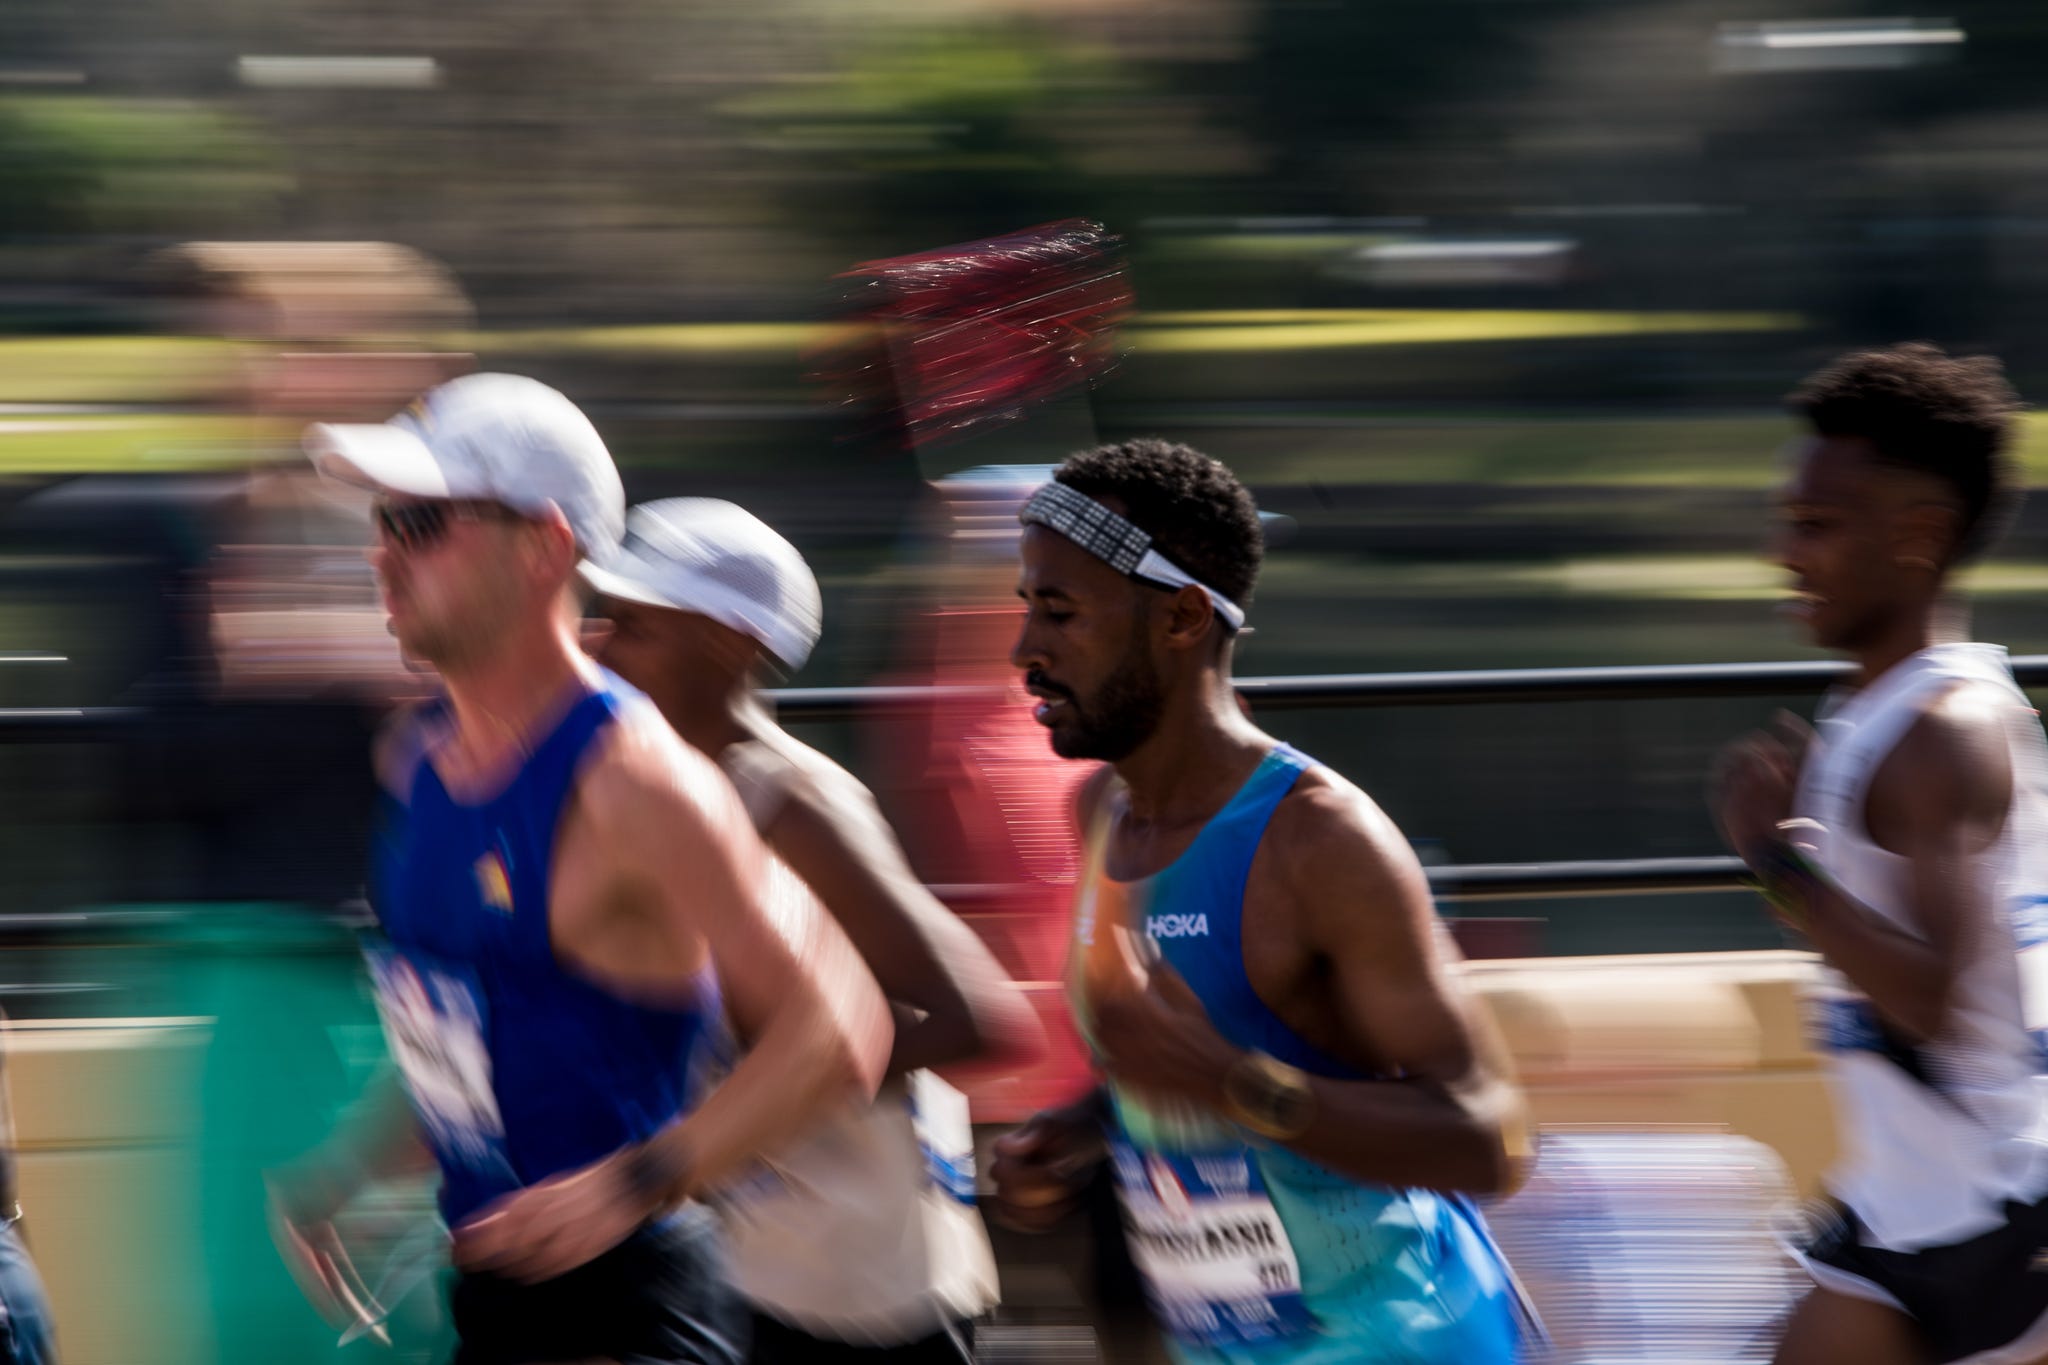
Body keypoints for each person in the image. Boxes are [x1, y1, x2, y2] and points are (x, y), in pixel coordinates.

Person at [268, 373, 893, 1364]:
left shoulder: (635, 781)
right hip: (494, 1295)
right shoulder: (416, 759)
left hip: (629, 1313)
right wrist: (343, 1169)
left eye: (423, 524)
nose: (383, 557)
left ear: (543, 548)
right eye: (383, 521)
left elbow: (842, 1024)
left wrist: (637, 1182)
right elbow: (479, 1021)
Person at [986, 439, 1530, 1364]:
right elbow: (1192, 1060)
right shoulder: (1102, 813)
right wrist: (1083, 1127)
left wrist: (1235, 1085)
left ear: (1183, 618)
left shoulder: (1319, 840)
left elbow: (1490, 1140)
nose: (1024, 650)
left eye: (1060, 611)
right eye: (1028, 606)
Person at [586, 496, 1043, 1363]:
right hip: (742, 1258)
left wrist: (794, 1050)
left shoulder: (795, 803)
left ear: (729, 642)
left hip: (855, 1291)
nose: (605, 648)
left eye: (637, 627)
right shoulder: (662, 788)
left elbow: (983, 1016)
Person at [1712, 343, 2048, 1365]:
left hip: (2007, 1222)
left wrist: (1777, 866)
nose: (1785, 554)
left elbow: (1930, 1004)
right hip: (1898, 1216)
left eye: (1815, 526)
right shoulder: (1871, 712)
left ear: (1916, 538)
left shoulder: (1939, 731)